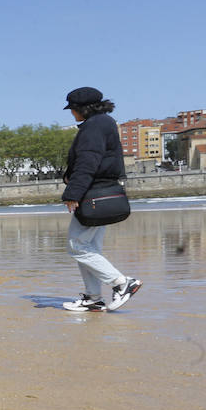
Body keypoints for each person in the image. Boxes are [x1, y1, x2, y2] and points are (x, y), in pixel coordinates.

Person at [60, 87, 142, 312]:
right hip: (103, 192)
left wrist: (73, 193)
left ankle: (122, 283)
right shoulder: (104, 122)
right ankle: (93, 298)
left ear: (83, 109)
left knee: (77, 246)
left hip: (94, 194)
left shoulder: (94, 126)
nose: (72, 114)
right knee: (89, 248)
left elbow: (88, 161)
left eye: (73, 110)